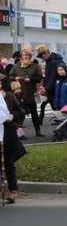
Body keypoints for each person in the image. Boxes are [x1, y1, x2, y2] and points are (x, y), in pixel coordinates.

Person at [0, 73, 25, 204]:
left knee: (9, 162)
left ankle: (13, 190)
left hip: (8, 132)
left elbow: (21, 111)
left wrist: (12, 115)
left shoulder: (9, 96)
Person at [9, 47, 44, 137]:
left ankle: (38, 131)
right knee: (20, 113)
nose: (25, 57)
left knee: (34, 113)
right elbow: (10, 76)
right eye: (23, 55)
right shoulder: (17, 66)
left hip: (32, 92)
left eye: (27, 55)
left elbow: (39, 78)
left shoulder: (35, 66)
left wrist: (31, 79)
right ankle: (20, 134)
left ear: (30, 56)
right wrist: (15, 78)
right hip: (20, 93)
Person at [36, 44, 65, 122]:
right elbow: (47, 77)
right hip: (52, 89)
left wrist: (46, 89)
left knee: (57, 110)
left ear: (46, 53)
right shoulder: (50, 61)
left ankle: (62, 127)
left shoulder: (53, 62)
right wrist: (44, 86)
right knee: (55, 109)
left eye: (41, 56)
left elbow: (52, 78)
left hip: (56, 89)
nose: (42, 58)